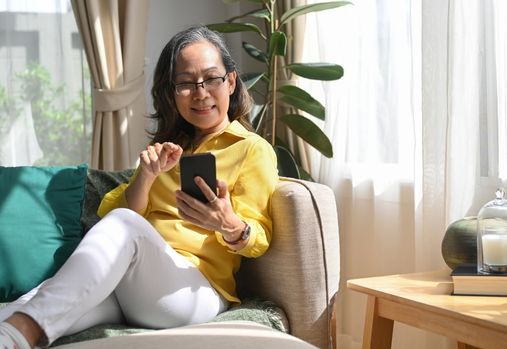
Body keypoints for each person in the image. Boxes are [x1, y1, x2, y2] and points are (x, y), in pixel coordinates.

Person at [0, 24, 278, 349]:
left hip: (194, 293)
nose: (200, 92)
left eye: (211, 79)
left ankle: (23, 330)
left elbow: (259, 239)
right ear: (172, 93)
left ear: (230, 82)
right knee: (47, 298)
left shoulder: (252, 149)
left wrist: (229, 224)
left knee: (125, 226)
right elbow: (116, 223)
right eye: (186, 83)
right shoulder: (168, 150)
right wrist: (146, 176)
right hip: (137, 287)